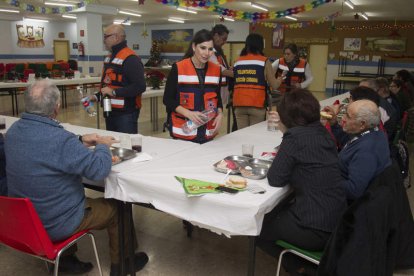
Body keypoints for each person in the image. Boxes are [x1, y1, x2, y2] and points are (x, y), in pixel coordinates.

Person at [5, 80, 148, 276]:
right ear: (57, 107)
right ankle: (122, 264)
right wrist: (102, 146)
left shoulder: (12, 133)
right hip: (55, 222)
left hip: (24, 220)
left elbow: (46, 145)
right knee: (118, 208)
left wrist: (79, 140)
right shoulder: (59, 140)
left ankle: (66, 261)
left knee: (57, 194)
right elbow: (98, 170)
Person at [257, 89, 347, 275]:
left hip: (314, 229)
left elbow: (275, 179)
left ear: (287, 117)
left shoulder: (295, 137)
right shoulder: (322, 132)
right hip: (337, 220)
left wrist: (285, 133)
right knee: (276, 211)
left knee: (256, 228)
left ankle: (300, 268)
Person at [163, 29, 223, 144]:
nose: (207, 53)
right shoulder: (178, 68)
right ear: (194, 47)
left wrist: (220, 113)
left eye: (210, 49)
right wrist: (188, 113)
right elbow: (167, 99)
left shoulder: (216, 70)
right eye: (203, 48)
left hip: (207, 134)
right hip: (183, 133)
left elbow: (217, 98)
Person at [326, 99, 392, 201]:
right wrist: (334, 124)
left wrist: (325, 178)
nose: (343, 118)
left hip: (345, 200)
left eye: (347, 116)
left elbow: (353, 191)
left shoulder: (366, 152)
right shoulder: (374, 132)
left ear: (362, 124)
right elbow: (348, 141)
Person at [95, 24, 146, 134]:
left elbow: (140, 86)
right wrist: (96, 96)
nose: (104, 40)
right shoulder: (110, 57)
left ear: (116, 37)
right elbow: (109, 83)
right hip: (110, 111)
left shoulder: (130, 58)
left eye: (106, 36)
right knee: (113, 144)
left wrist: (114, 92)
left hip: (126, 114)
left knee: (126, 146)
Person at [232, 33, 282, 129]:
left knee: (242, 136)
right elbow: (274, 85)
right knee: (253, 136)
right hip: (256, 105)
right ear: (260, 45)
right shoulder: (264, 61)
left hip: (239, 104)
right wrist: (279, 79)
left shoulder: (238, 61)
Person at [210, 24, 234, 106]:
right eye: (223, 39)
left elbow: (223, 67)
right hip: (213, 91)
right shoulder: (209, 50)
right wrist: (239, 74)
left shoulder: (218, 51)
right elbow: (220, 69)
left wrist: (229, 68)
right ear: (216, 36)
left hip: (220, 90)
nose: (224, 42)